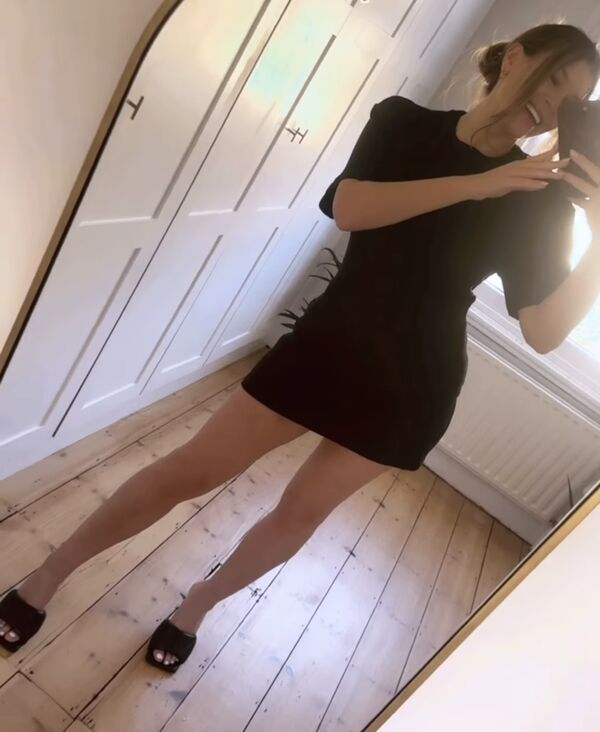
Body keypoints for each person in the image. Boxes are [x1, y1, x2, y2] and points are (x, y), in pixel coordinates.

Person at [2, 23, 600, 673]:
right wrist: (478, 183)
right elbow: (349, 207)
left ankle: (197, 606)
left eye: (576, 101)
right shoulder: (403, 122)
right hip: (327, 346)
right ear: (515, 59)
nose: (556, 106)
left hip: (412, 386)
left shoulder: (540, 204)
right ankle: (45, 577)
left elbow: (543, 333)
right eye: (555, 80)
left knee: (299, 515)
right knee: (189, 470)